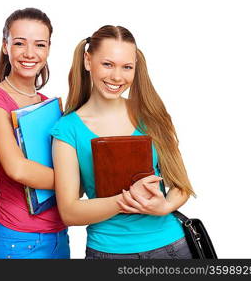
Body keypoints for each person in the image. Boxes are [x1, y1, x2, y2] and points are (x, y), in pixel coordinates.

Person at [51, 25, 195, 259]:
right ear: (88, 61)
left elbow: (181, 184)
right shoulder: (68, 129)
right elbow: (70, 212)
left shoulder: (151, 115)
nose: (117, 77)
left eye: (127, 67)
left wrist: (165, 206)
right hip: (109, 252)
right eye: (107, 64)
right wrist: (127, 198)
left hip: (172, 247)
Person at [0, 8, 69, 259]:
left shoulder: (47, 104)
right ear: (5, 46)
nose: (30, 53)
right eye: (19, 43)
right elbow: (17, 168)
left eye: (39, 44)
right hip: (17, 238)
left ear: (49, 49)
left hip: (59, 233)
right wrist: (75, 181)